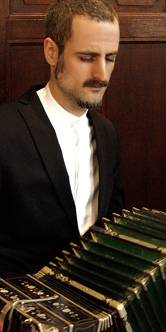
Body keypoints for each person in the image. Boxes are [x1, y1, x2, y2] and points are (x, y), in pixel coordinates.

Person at [0, 0, 125, 278]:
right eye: (87, 57)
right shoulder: (5, 129)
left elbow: (111, 230)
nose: (101, 74)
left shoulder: (108, 135)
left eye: (110, 57)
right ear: (52, 52)